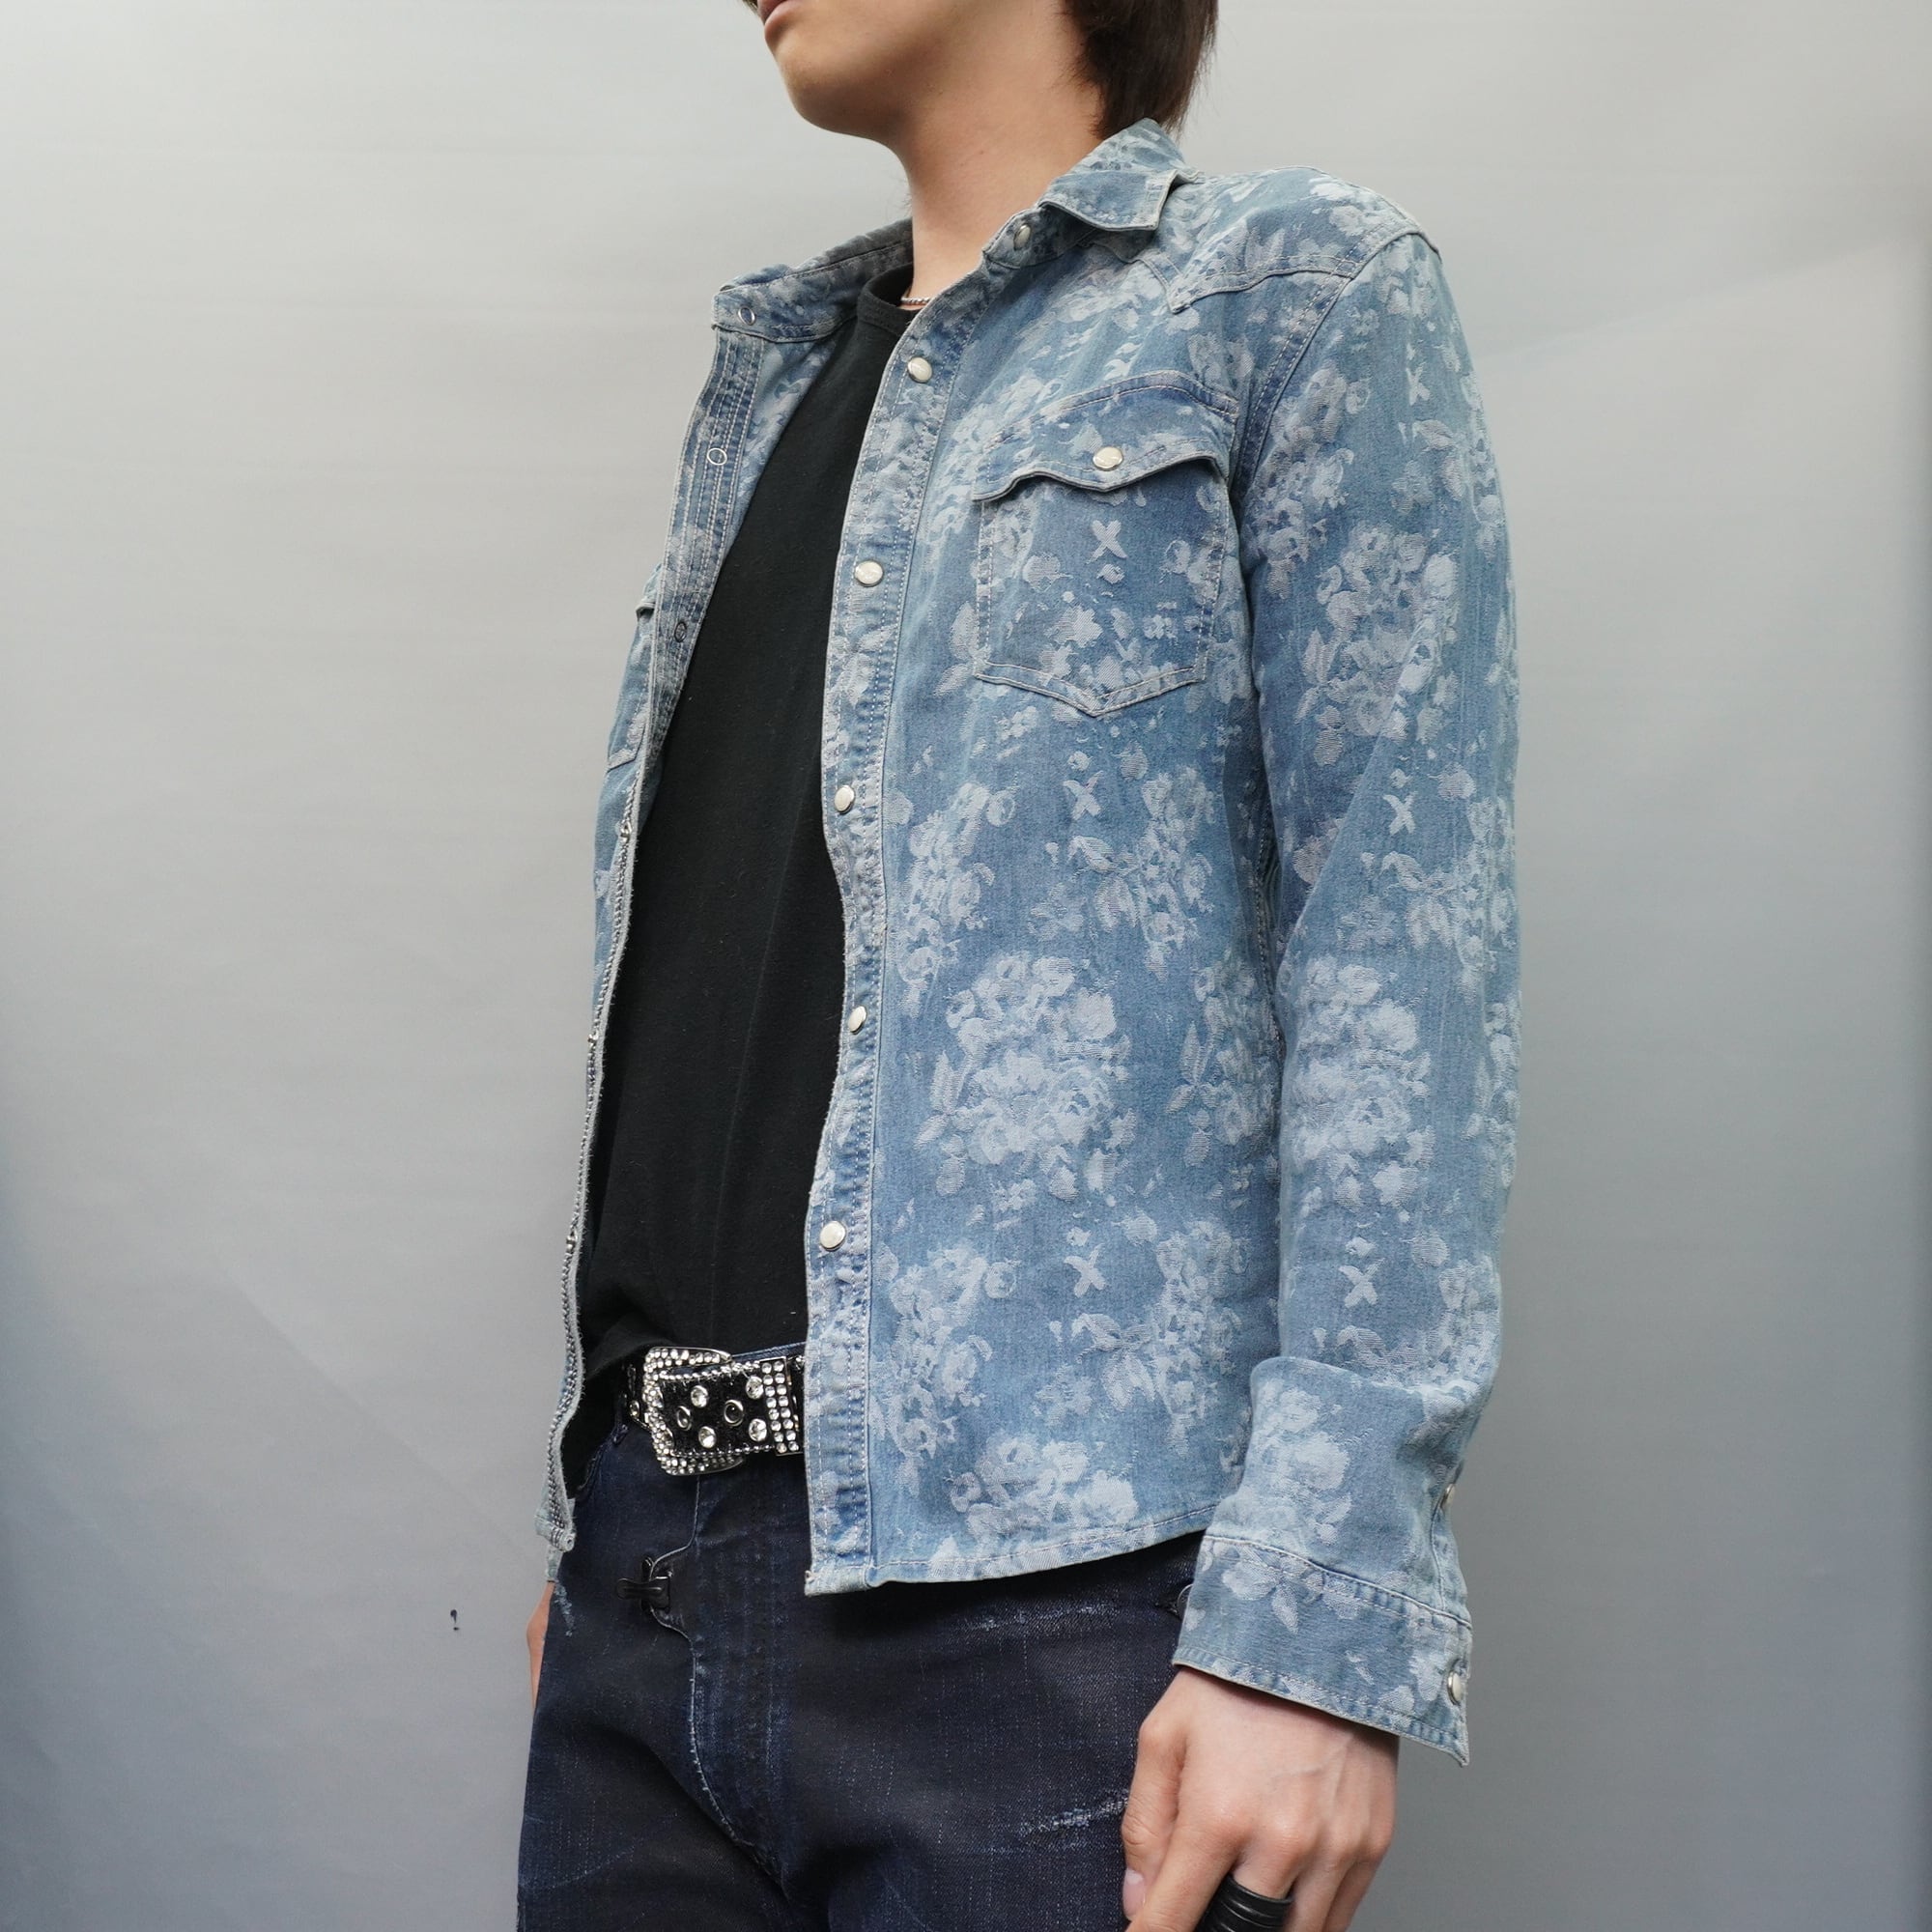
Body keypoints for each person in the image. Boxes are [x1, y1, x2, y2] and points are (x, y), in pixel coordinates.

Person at [517, 0, 1519, 1926]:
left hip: (1055, 1620)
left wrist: (1316, 1628)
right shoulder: (777, 381)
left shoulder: (1290, 294)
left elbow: (1406, 971)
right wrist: (598, 1532)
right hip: (647, 1600)